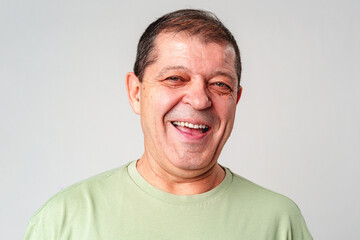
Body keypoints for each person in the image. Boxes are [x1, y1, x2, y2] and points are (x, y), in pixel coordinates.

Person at [24, 9, 312, 240]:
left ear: (236, 99)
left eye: (219, 84)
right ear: (136, 93)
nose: (200, 100)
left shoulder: (279, 222)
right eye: (175, 78)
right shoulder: (63, 220)